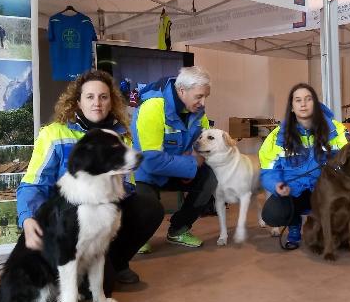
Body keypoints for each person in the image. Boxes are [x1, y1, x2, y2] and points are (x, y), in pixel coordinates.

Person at [16, 69, 164, 287]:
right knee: (92, 285)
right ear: (78, 102)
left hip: (100, 215)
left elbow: (128, 187)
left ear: (111, 102)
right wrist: (27, 218)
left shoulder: (121, 136)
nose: (97, 103)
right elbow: (33, 183)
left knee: (148, 205)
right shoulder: (54, 133)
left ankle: (117, 261)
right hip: (65, 218)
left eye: (104, 97)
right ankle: (81, 270)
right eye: (90, 97)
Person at [259, 83, 350, 250]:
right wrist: (276, 185)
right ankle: (294, 226)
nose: (303, 104)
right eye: (298, 100)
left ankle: (349, 231)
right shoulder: (277, 136)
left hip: (326, 192)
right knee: (272, 213)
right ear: (292, 106)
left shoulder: (336, 130)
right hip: (294, 193)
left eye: (308, 99)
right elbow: (268, 169)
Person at [131, 66, 216, 251]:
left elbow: (206, 144)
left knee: (210, 178)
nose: (203, 103)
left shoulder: (198, 112)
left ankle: (178, 229)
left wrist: (194, 157)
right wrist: (191, 161)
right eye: (199, 96)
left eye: (205, 97)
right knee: (150, 210)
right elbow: (151, 161)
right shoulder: (153, 107)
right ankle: (136, 237)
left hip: (175, 168)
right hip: (145, 174)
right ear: (182, 90)